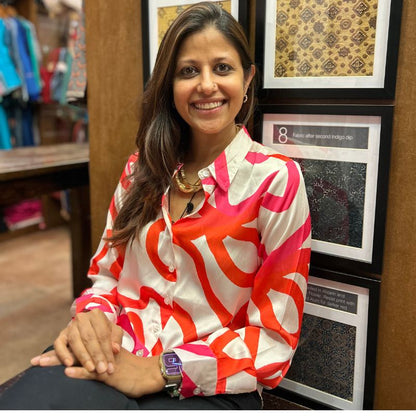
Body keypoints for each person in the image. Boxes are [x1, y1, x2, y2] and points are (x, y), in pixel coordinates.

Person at [0, 2, 311, 410]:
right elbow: (106, 277)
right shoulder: (142, 167)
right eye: (187, 71)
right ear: (169, 84)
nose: (205, 85)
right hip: (116, 349)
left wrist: (161, 370)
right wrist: (91, 319)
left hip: (209, 380)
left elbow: (274, 338)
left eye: (222, 68)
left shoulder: (276, 180)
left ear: (248, 78)